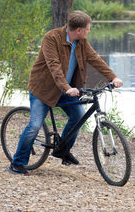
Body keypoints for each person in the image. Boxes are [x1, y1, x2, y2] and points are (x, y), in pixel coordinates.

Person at [8, 10, 123, 175]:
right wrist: (67, 88)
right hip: (44, 89)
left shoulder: (82, 42)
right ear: (78, 30)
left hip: (66, 89)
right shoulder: (51, 38)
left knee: (78, 116)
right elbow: (54, 66)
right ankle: (17, 163)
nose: (89, 32)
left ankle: (62, 150)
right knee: (34, 126)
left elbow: (95, 59)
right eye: (88, 29)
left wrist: (113, 77)